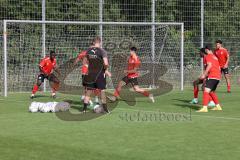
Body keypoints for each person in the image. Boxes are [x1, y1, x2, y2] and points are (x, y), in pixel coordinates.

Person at [82, 36, 111, 113]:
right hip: (100, 74)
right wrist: (105, 70)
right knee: (102, 91)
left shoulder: (88, 51)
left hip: (90, 74)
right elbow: (106, 63)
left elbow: (84, 62)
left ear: (93, 42)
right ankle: (105, 110)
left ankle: (84, 109)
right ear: (100, 42)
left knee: (88, 91)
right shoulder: (102, 51)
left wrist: (90, 67)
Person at [196, 46, 222, 112]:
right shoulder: (215, 57)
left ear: (207, 50)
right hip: (218, 77)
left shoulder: (208, 56)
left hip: (212, 76)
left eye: (205, 50)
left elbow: (209, 65)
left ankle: (205, 108)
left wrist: (204, 75)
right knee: (211, 92)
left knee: (206, 91)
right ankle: (218, 106)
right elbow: (218, 67)